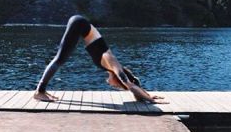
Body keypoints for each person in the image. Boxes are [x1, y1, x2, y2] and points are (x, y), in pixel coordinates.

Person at [34, 15, 168, 104]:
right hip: (79, 24)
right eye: (117, 85)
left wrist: (145, 95)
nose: (112, 85)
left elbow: (132, 83)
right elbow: (129, 83)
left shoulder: (110, 66)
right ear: (118, 79)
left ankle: (42, 91)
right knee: (59, 59)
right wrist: (151, 100)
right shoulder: (111, 62)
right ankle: (39, 91)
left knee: (60, 59)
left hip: (80, 25)